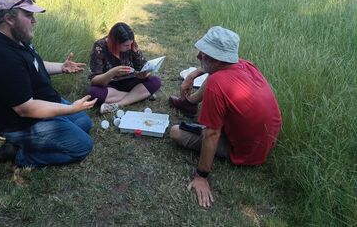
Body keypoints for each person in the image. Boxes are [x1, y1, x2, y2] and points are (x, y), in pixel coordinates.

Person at [0, 0, 97, 167]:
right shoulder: (0, 56)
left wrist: (62, 67)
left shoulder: (17, 38)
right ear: (10, 19)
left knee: (84, 123)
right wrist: (70, 108)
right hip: (24, 123)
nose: (34, 21)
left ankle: (27, 143)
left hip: (43, 102)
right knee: (83, 146)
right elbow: (26, 109)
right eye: (28, 15)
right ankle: (19, 154)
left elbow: (34, 64)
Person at [169, 26, 282, 208]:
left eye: (204, 53)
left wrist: (201, 176)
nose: (198, 56)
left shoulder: (217, 83)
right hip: (266, 141)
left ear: (215, 57)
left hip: (246, 153)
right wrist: (193, 74)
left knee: (175, 132)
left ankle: (190, 106)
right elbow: (214, 70)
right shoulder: (246, 65)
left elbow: (212, 134)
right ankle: (189, 103)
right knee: (213, 75)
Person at [87, 22, 162, 114]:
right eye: (126, 45)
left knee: (155, 81)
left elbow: (144, 66)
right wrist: (112, 73)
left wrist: (144, 74)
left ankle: (117, 105)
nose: (129, 47)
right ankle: (140, 96)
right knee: (94, 92)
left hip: (129, 81)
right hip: (110, 84)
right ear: (114, 43)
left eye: (130, 44)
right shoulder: (100, 47)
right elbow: (95, 80)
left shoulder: (131, 45)